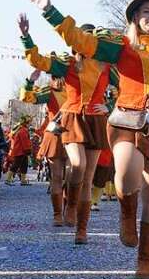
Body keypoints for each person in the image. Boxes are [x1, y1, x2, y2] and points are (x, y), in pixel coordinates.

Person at [28, 0, 149, 279]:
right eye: (146, 12)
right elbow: (81, 41)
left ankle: (145, 260)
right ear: (135, 17)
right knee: (127, 174)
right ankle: (127, 213)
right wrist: (50, 11)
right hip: (126, 118)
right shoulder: (120, 45)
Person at [19, 13, 111, 244]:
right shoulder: (67, 65)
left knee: (87, 178)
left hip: (95, 120)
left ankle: (82, 229)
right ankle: (65, 208)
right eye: (83, 38)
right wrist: (26, 37)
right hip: (69, 120)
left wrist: (108, 105)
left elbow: (131, 87)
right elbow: (38, 61)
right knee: (72, 168)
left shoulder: (108, 67)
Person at [19, 70, 69, 224]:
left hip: (75, 135)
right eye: (56, 76)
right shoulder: (49, 91)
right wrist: (29, 81)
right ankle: (58, 214)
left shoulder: (78, 89)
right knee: (57, 177)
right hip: (55, 135)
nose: (60, 80)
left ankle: (69, 211)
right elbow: (27, 98)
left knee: (72, 177)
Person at [7, 116, 33, 185]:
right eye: (29, 122)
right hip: (20, 151)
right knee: (15, 165)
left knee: (24, 166)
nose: (30, 124)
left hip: (22, 151)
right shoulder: (23, 131)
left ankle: (23, 180)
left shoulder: (22, 130)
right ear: (26, 123)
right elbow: (25, 142)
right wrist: (28, 150)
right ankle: (8, 179)